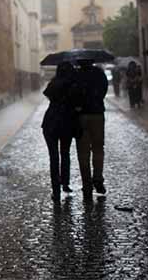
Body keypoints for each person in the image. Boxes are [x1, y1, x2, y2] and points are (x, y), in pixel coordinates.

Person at [41, 62, 83, 201]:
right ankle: (65, 183)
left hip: (50, 123)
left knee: (54, 157)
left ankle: (56, 191)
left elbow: (48, 94)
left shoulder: (54, 83)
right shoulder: (74, 84)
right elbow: (78, 105)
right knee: (65, 153)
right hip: (66, 123)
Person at [75, 59, 108, 198]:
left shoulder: (76, 75)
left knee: (83, 152)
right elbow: (103, 91)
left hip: (81, 116)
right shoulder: (99, 73)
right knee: (98, 148)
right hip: (97, 114)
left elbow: (72, 95)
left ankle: (86, 184)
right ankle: (98, 178)